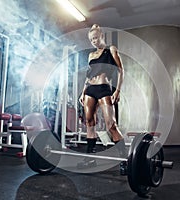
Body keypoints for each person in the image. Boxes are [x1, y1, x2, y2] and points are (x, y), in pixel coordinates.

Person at [78, 24, 127, 175]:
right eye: (91, 39)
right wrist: (82, 92)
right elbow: (88, 75)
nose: (93, 41)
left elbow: (121, 70)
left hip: (104, 88)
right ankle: (90, 158)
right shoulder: (91, 55)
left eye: (95, 38)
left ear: (102, 36)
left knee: (111, 125)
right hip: (90, 90)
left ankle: (124, 159)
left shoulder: (111, 49)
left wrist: (117, 90)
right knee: (89, 123)